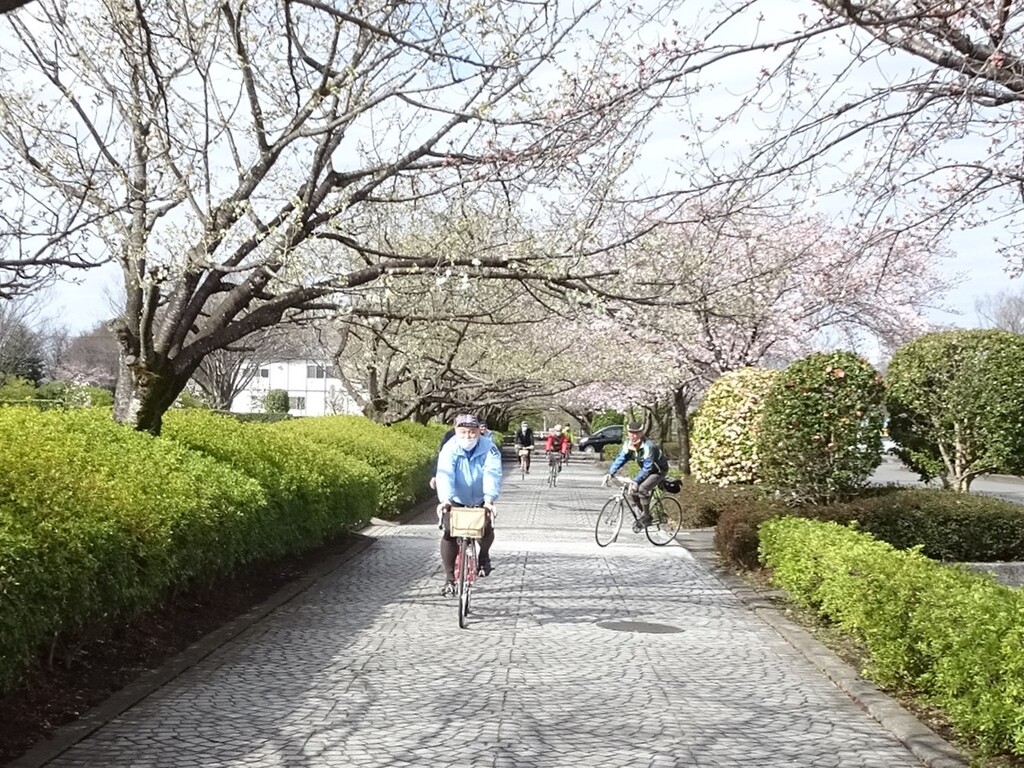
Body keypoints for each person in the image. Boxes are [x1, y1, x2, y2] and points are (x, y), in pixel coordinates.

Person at [435, 413, 503, 595]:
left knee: (485, 527)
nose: (468, 436)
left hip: (481, 497)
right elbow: (445, 473)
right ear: (456, 430)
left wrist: (489, 499)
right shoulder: (449, 448)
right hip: (456, 497)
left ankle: (484, 556)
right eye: (463, 431)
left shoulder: (489, 448)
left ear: (479, 431)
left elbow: (492, 472)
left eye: (472, 432)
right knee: (449, 532)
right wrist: (445, 499)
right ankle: (449, 579)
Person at [603, 422, 670, 524]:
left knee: (642, 488)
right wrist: (610, 472)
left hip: (658, 471)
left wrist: (636, 481)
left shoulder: (648, 446)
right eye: (631, 433)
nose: (633, 436)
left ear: (641, 433)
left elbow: (647, 467)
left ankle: (646, 517)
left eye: (636, 433)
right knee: (631, 491)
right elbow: (621, 458)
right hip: (646, 470)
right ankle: (642, 514)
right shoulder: (628, 444)